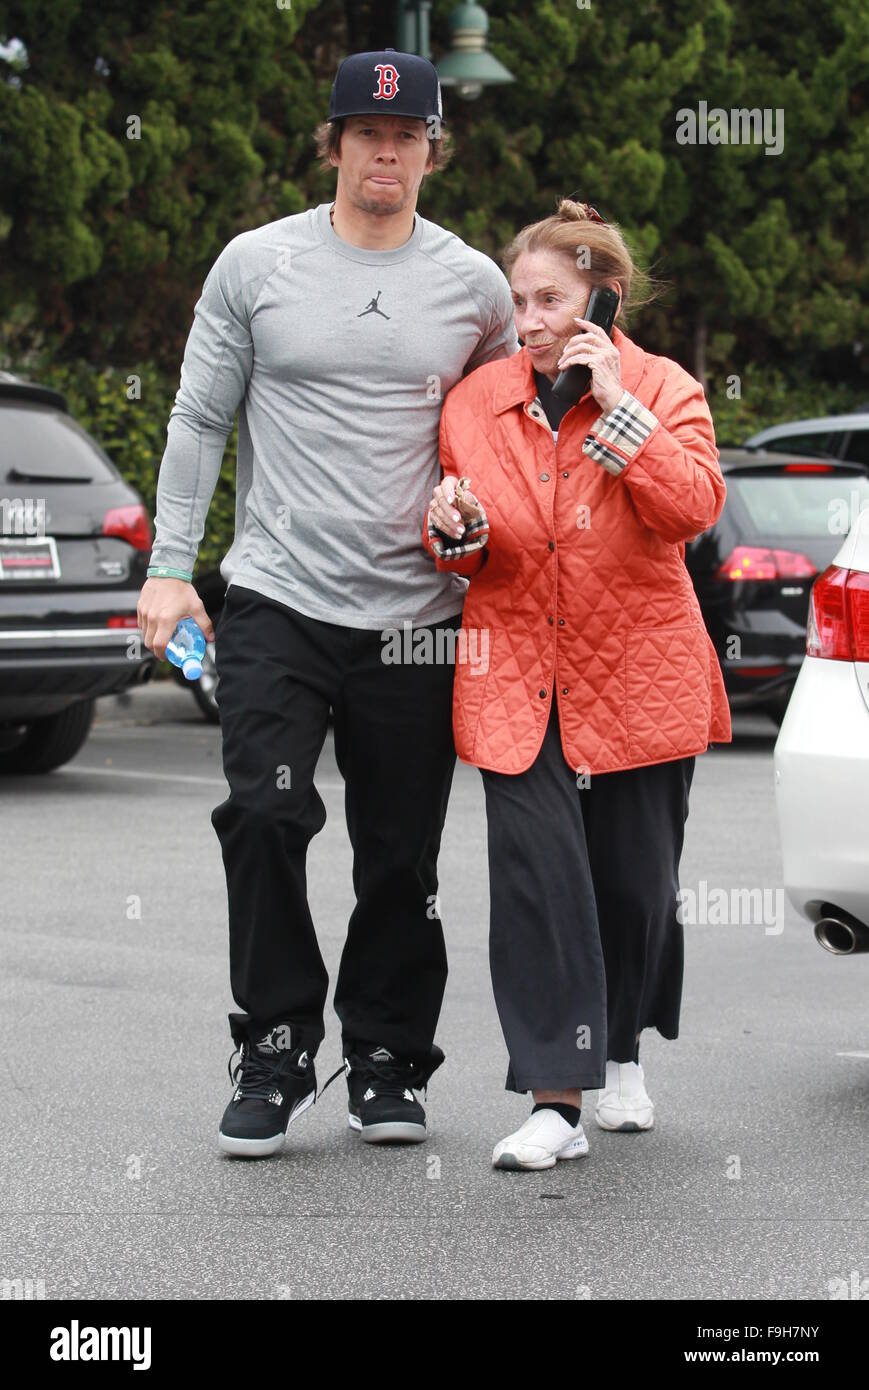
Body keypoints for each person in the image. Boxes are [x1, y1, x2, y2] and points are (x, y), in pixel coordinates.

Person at [137, 49, 518, 1157]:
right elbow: (198, 420)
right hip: (277, 599)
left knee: (397, 852)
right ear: (336, 142)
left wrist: (479, 525)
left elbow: (493, 437)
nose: (384, 152)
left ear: (430, 149)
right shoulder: (256, 264)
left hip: (413, 617)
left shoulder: (474, 287)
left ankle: (388, 1053)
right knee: (263, 813)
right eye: (365, 133)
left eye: (406, 136)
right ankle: (274, 1043)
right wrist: (170, 563)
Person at [424, 197, 732, 1170]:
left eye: (549, 298)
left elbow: (687, 511)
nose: (529, 318)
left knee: (633, 886)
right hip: (515, 676)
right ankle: (553, 1099)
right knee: (534, 884)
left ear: (600, 293)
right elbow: (460, 550)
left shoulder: (662, 387)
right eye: (518, 299)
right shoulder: (477, 402)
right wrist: (455, 533)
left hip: (637, 673)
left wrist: (621, 413)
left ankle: (625, 1046)